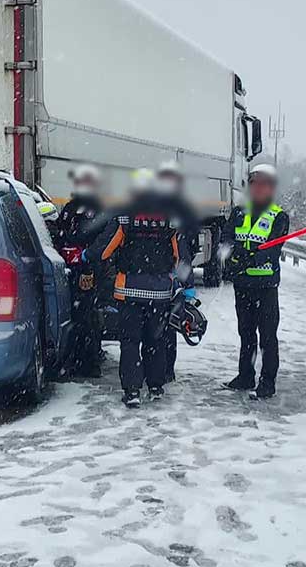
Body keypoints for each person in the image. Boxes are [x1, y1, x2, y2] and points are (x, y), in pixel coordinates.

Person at [88, 168, 188, 407]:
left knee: (130, 341)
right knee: (156, 339)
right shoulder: (169, 218)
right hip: (160, 294)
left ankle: (132, 391)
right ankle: (155, 385)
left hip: (129, 291)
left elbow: (105, 249)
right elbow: (178, 256)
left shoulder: (125, 216)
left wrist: (87, 256)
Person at [221, 164, 288, 399]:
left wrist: (247, 260)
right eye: (255, 184)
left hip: (266, 287)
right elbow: (226, 238)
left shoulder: (279, 216)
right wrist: (231, 258)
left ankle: (267, 382)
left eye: (264, 185)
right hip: (243, 286)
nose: (259, 189)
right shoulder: (239, 212)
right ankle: (245, 376)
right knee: (246, 333)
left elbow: (272, 250)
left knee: (267, 336)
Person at [54, 164, 105, 377]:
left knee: (87, 315)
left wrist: (85, 254)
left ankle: (90, 361)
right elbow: (60, 231)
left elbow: (100, 239)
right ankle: (72, 358)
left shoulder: (97, 209)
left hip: (87, 270)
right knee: (72, 315)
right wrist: (62, 243)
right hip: (69, 270)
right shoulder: (70, 208)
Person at [155, 161, 200, 383]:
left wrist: (186, 283)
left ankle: (162, 370)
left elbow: (187, 250)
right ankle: (164, 370)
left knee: (163, 327)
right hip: (167, 279)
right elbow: (189, 248)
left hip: (165, 279)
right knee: (167, 325)